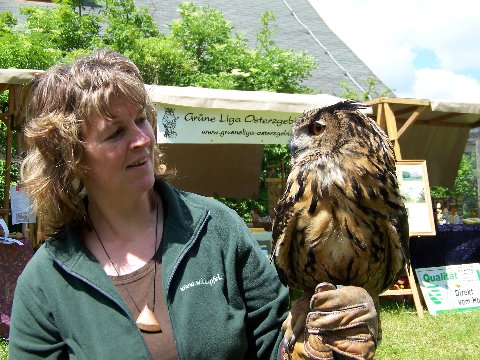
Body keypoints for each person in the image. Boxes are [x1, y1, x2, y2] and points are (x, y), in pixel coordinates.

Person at [9, 49, 378, 359]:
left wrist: (318, 345)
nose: (141, 139)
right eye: (115, 133)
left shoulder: (217, 230)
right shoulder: (46, 282)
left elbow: (273, 343)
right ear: (73, 157)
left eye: (142, 120)